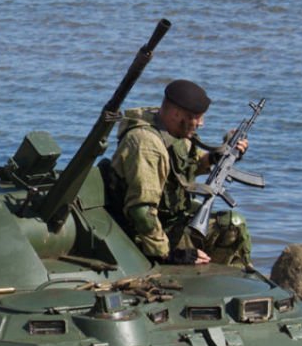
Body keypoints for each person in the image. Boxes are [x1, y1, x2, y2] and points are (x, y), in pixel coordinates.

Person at [108, 78, 253, 266]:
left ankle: (225, 277)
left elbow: (188, 165)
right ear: (176, 114)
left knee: (233, 225)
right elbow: (142, 211)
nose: (201, 123)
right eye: (197, 117)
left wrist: (219, 157)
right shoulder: (147, 145)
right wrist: (168, 254)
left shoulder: (172, 131)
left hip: (171, 220)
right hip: (143, 234)